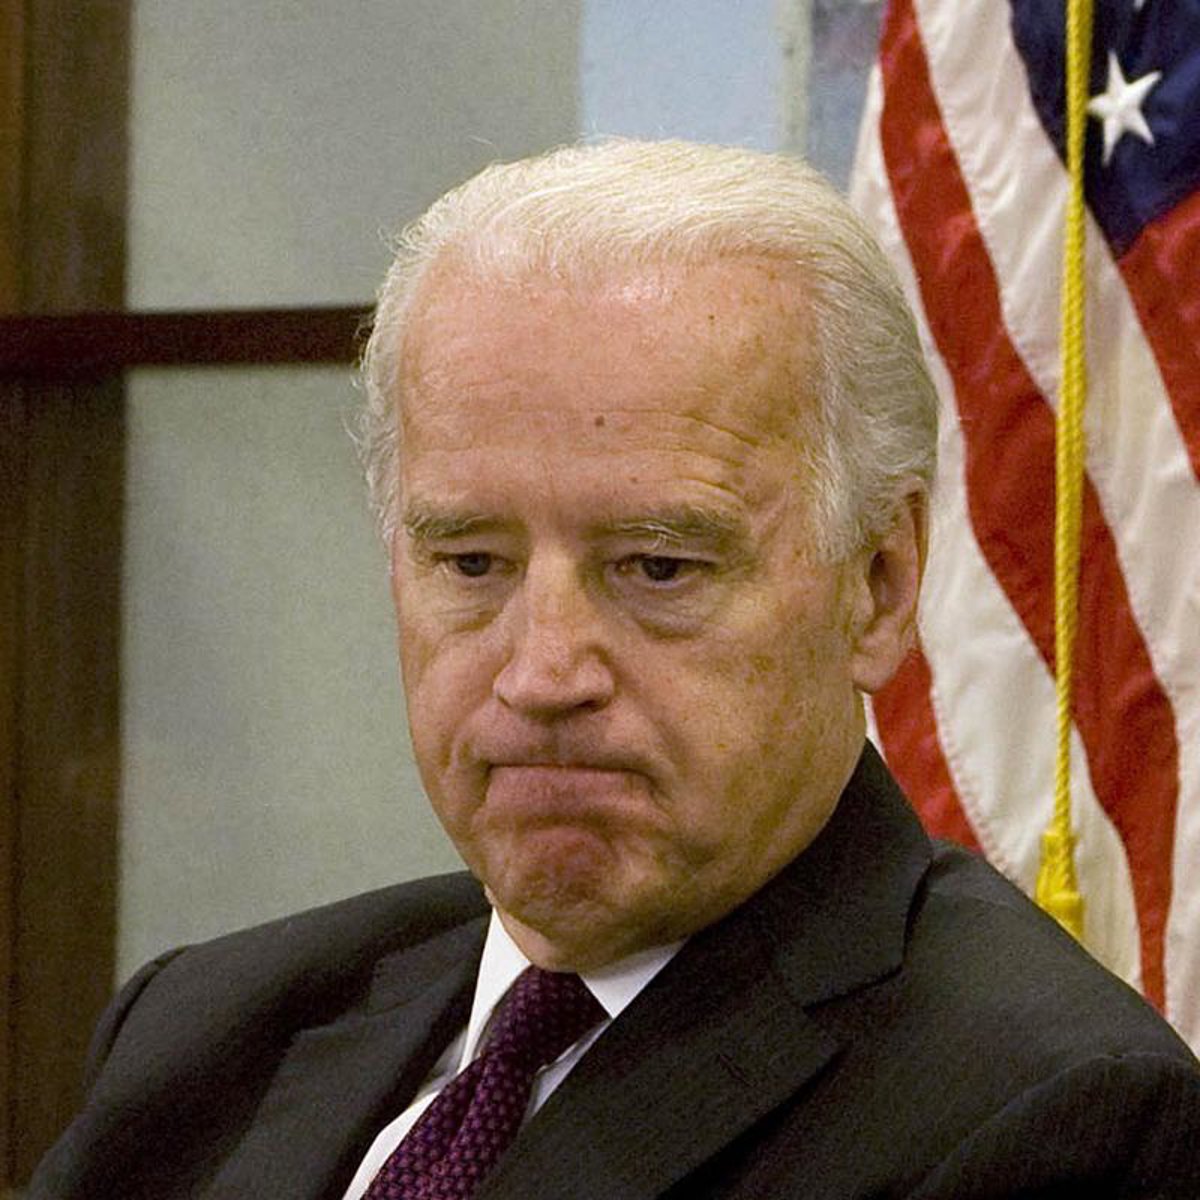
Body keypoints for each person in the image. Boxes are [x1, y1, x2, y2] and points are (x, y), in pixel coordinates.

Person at [31, 139, 1200, 1199]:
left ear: (880, 587)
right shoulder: (205, 1031)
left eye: (657, 567)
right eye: (472, 561)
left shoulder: (1047, 1117)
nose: (542, 675)